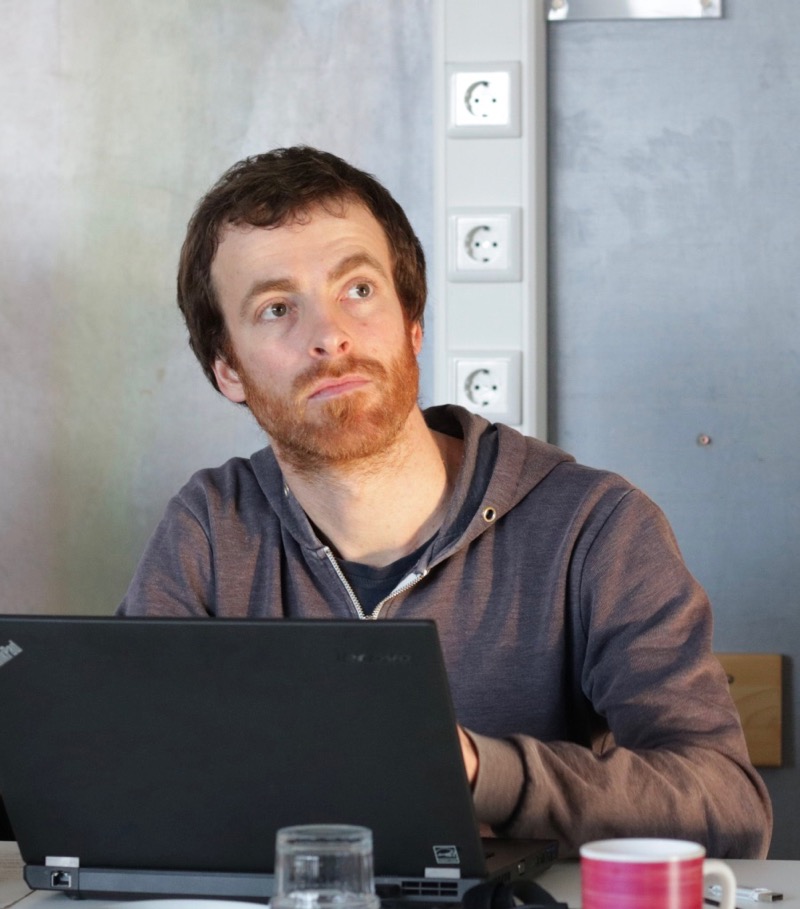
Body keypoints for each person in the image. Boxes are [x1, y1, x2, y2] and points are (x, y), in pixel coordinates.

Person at [119, 146, 771, 858]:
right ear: (228, 370)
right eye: (277, 308)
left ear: (413, 324)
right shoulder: (210, 529)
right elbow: (117, 779)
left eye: (359, 289)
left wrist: (481, 772)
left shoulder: (595, 527)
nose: (329, 335)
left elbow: (729, 809)